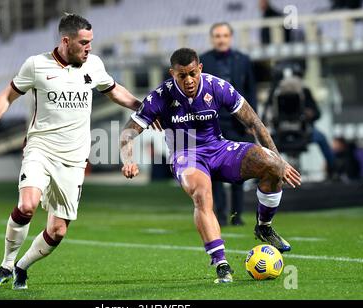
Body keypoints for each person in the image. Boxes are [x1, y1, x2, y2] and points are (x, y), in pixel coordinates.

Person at [0, 13, 149, 291]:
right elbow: (6, 96)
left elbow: (113, 90)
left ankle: (22, 267)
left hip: (74, 160)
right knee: (27, 205)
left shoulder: (94, 64)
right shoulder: (36, 65)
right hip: (40, 149)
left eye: (91, 42)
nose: (89, 48)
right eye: (84, 42)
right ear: (66, 41)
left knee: (57, 231)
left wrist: (141, 107)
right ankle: (5, 265)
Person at [120, 48, 300, 284]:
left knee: (272, 166)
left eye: (192, 73)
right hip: (185, 155)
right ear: (172, 73)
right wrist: (128, 159)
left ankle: (264, 226)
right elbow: (128, 131)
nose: (189, 80)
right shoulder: (161, 95)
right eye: (181, 76)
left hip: (218, 148)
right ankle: (220, 262)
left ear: (200, 69)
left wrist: (279, 160)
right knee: (202, 194)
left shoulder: (217, 86)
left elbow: (254, 123)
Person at [200, 22, 258, 226]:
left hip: (238, 124)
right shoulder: (203, 61)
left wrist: (252, 121)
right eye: (217, 36)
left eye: (224, 35)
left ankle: (237, 215)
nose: (221, 39)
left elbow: (251, 92)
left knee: (239, 170)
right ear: (212, 38)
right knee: (214, 172)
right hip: (211, 125)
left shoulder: (243, 60)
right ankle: (221, 215)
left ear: (231, 37)